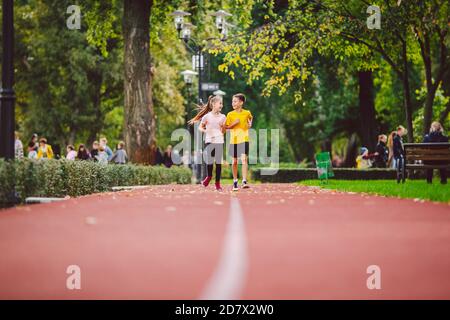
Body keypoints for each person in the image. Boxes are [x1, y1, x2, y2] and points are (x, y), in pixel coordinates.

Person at [190, 95, 225, 191]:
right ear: (213, 104)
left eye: (222, 103)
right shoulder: (207, 116)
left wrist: (222, 129)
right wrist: (206, 131)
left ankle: (217, 184)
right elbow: (200, 127)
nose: (221, 105)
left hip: (219, 141)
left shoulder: (223, 117)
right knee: (209, 161)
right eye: (220, 103)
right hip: (209, 140)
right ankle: (209, 177)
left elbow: (223, 130)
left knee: (218, 163)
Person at [225, 93, 253, 191]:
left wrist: (250, 124)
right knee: (234, 162)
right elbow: (226, 128)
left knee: (244, 159)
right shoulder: (230, 114)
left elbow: (250, 119)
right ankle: (235, 181)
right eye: (232, 101)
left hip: (244, 139)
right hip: (234, 140)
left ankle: (244, 181)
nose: (233, 103)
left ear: (241, 102)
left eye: (235, 101)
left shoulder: (247, 113)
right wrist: (234, 123)